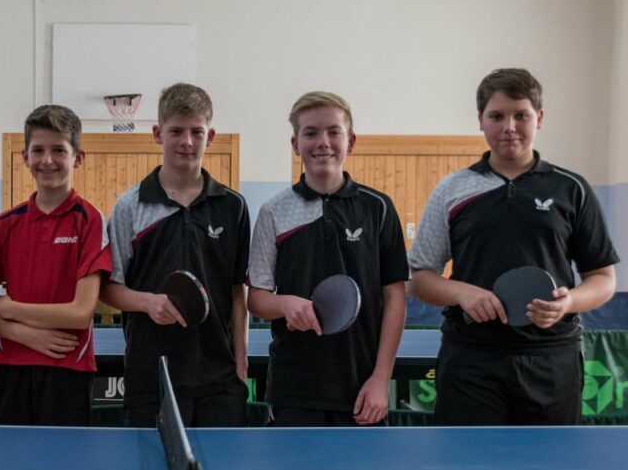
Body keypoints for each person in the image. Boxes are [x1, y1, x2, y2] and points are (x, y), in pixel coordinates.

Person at [408, 68, 618, 425]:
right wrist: (462, 293)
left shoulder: (571, 189)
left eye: (521, 115)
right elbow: (420, 278)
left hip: (551, 358)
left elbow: (602, 278)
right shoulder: (452, 190)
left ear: (539, 118)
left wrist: (568, 302)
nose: (509, 126)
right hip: (471, 358)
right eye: (497, 116)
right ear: (480, 121)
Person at [248, 91, 408, 427]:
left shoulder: (378, 208)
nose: (323, 142)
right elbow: (258, 299)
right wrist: (286, 304)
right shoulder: (273, 211)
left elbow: (394, 298)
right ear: (295, 143)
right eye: (311, 132)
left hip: (362, 387)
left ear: (350, 141)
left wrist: (381, 379)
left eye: (333, 131)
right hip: (294, 388)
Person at [102, 83, 250, 427]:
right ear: (157, 134)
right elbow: (110, 289)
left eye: (196, 132)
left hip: (219, 380)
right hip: (151, 376)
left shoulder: (233, 207)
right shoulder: (129, 206)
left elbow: (237, 293)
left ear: (210, 136)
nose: (187, 141)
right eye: (176, 131)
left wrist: (240, 365)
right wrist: (148, 303)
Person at [0, 105, 111, 426]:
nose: (47, 160)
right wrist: (19, 333)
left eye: (58, 150)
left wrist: (10, 307)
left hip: (68, 370)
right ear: (24, 157)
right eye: (38, 150)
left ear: (78, 158)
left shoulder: (90, 220)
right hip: (12, 366)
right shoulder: (4, 226)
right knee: (7, 468)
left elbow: (81, 313)